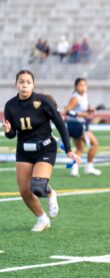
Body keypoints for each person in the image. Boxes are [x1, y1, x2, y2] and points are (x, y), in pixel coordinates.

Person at [2, 70, 80, 232]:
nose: (24, 85)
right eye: (21, 82)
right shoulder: (10, 105)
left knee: (37, 186)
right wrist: (7, 130)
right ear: (16, 84)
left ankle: (50, 193)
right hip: (23, 150)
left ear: (33, 84)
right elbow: (11, 135)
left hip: (45, 148)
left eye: (28, 82)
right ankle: (42, 218)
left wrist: (69, 150)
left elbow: (60, 124)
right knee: (24, 191)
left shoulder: (43, 101)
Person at [63, 78, 101, 176]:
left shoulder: (84, 95)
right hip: (77, 125)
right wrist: (81, 115)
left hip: (76, 124)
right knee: (95, 144)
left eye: (84, 85)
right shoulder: (76, 97)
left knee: (79, 148)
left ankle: (74, 169)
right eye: (80, 85)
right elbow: (66, 111)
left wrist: (89, 109)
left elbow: (82, 108)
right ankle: (89, 167)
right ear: (76, 87)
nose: (83, 87)